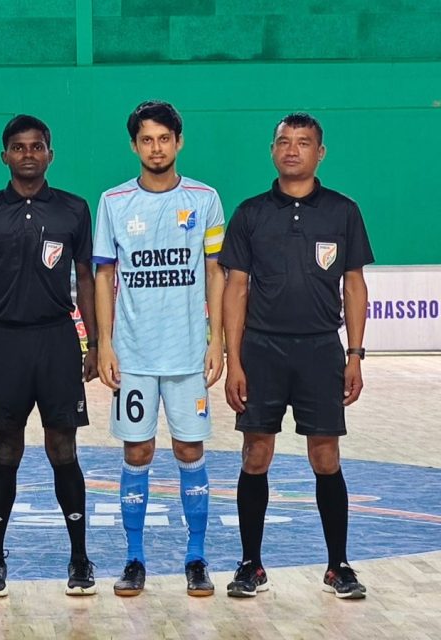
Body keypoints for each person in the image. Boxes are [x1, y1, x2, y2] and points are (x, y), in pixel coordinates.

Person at [220, 112, 373, 599]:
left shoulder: (343, 211)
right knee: (256, 455)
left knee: (326, 457)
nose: (292, 149)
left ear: (319, 153)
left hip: (321, 351)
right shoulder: (250, 213)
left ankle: (338, 566)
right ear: (272, 150)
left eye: (303, 142)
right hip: (261, 350)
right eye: (284, 141)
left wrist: (355, 354)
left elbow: (354, 284)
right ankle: (251, 565)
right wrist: (234, 360)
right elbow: (236, 288)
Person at [92, 100, 225, 598]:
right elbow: (104, 275)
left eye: (164, 138)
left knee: (190, 449)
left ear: (179, 142)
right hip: (134, 356)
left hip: (188, 354)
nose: (156, 148)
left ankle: (196, 557)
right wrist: (105, 344)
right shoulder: (113, 201)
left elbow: (216, 271)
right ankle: (134, 558)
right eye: (146, 140)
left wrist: (217, 340)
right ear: (134, 146)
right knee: (138, 451)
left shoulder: (205, 199)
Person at [0, 115, 100, 597]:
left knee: (63, 449)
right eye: (18, 147)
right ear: (4, 155)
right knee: (6, 451)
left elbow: (85, 278)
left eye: (36, 146)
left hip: (57, 340)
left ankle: (79, 558)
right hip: (6, 342)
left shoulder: (74, 209)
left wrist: (94, 343)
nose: (28, 154)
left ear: (50, 154)